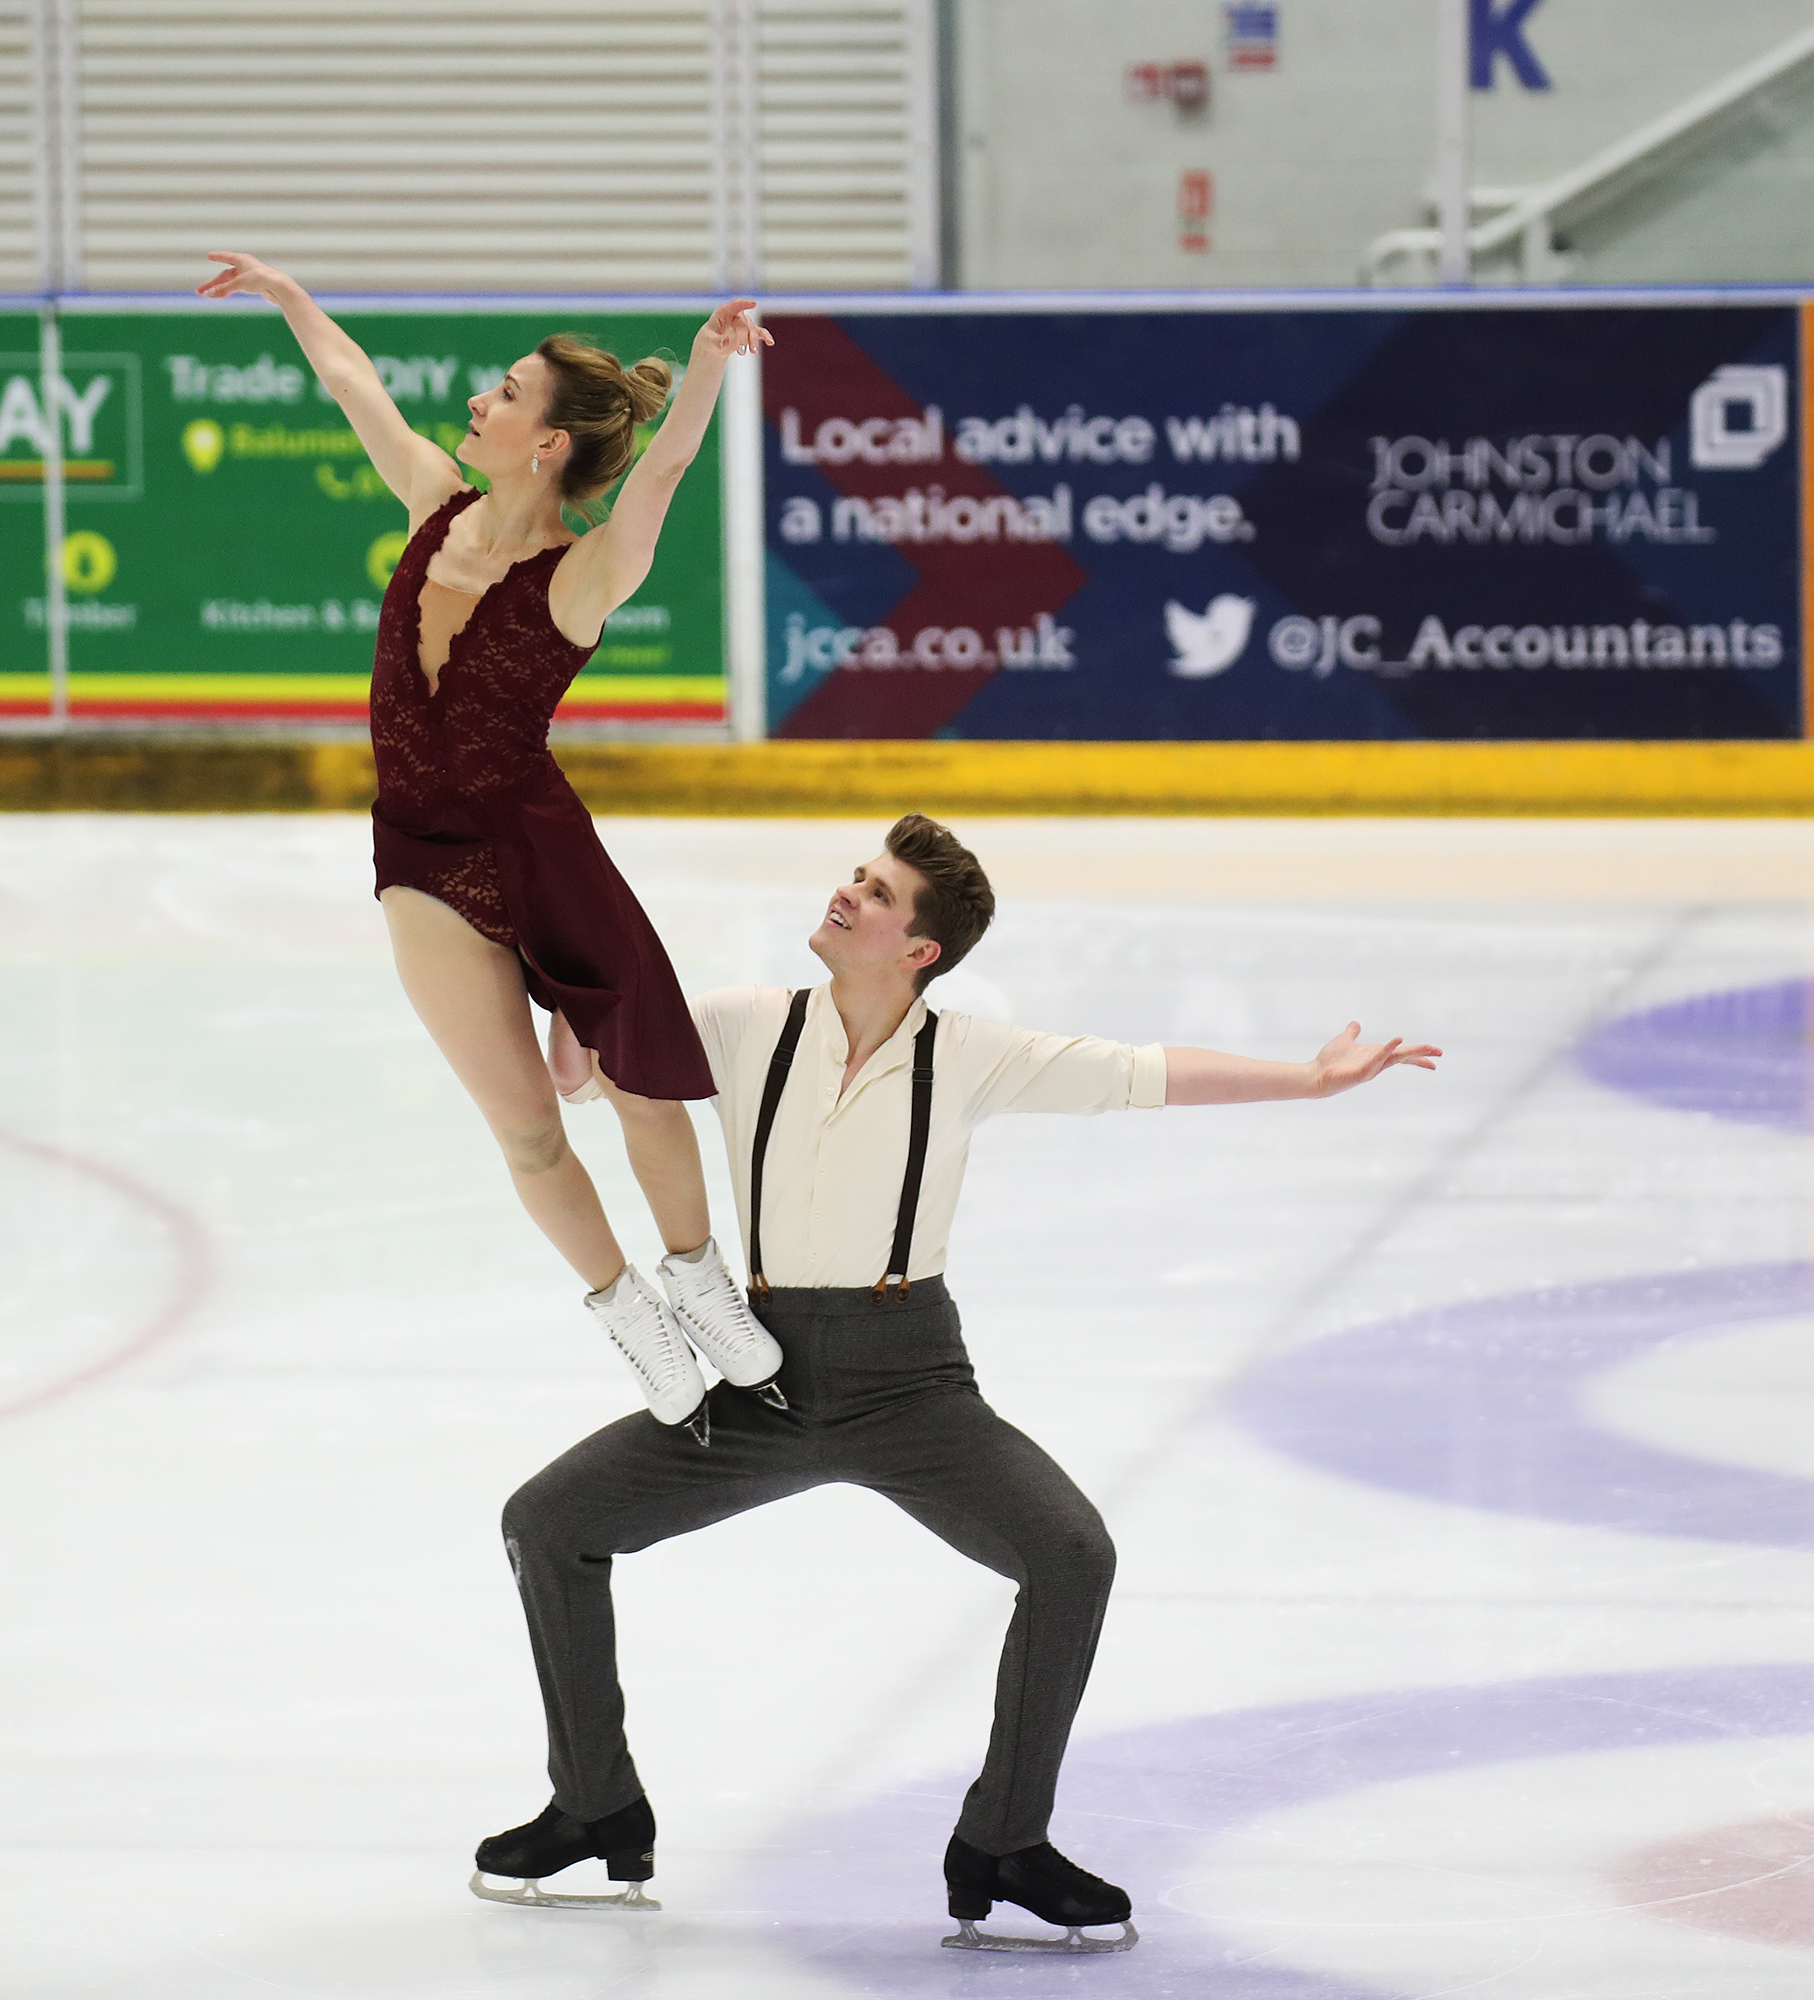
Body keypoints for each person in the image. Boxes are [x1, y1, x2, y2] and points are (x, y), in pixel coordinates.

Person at [472, 814, 1441, 1952]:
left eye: (875, 892)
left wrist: (1308, 1081)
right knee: (548, 1522)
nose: (847, 893)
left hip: (908, 1382)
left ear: (917, 948)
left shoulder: (968, 1054)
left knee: (1070, 1554)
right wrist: (572, 1033)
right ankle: (595, 1803)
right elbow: (613, 1056)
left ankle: (1002, 1841)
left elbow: (1139, 1074)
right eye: (855, 876)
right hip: (757, 1373)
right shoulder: (743, 1025)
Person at [195, 252, 780, 1441]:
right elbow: (354, 384)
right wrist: (286, 294)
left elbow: (664, 469)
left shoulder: (583, 573)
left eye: (505, 393)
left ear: (548, 441)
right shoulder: (430, 506)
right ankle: (628, 1315)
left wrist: (709, 368)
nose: (478, 402)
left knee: (638, 1086)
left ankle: (697, 1280)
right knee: (522, 1125)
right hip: (421, 857)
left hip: (538, 845)